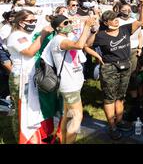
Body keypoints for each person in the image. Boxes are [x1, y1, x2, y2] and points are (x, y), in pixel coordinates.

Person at [85, 0, 143, 140]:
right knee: (109, 98)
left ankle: (119, 121)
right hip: (109, 69)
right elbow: (86, 46)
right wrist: (98, 56)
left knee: (121, 96)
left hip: (125, 65)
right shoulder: (100, 35)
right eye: (112, 19)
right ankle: (112, 126)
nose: (116, 20)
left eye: (116, 17)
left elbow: (142, 21)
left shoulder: (125, 29)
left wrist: (142, 6)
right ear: (106, 22)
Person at [45, 15, 96, 144]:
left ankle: (63, 140)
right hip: (69, 86)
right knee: (77, 117)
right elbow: (79, 46)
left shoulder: (67, 37)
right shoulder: (59, 40)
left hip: (74, 82)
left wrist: (89, 29)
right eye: (66, 22)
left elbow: (84, 43)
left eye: (69, 21)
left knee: (68, 116)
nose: (69, 24)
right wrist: (87, 26)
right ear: (58, 27)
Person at [6, 10, 54, 143]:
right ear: (21, 22)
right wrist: (43, 35)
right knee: (22, 110)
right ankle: (24, 139)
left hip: (32, 75)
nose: (33, 23)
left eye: (34, 21)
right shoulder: (15, 36)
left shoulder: (28, 34)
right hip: (20, 77)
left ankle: (37, 136)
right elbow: (30, 52)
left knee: (33, 108)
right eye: (30, 21)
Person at [117, 2, 143, 102]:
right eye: (124, 10)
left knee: (133, 72)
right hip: (121, 50)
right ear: (120, 10)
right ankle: (121, 95)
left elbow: (140, 35)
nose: (127, 12)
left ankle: (132, 94)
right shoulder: (117, 21)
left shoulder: (134, 21)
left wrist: (140, 48)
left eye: (129, 9)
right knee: (122, 72)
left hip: (134, 50)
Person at [0, 11, 14, 99]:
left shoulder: (17, 28)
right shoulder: (6, 28)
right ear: (7, 19)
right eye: (11, 16)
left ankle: (9, 95)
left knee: (10, 75)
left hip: (13, 54)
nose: (13, 18)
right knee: (13, 73)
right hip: (3, 53)